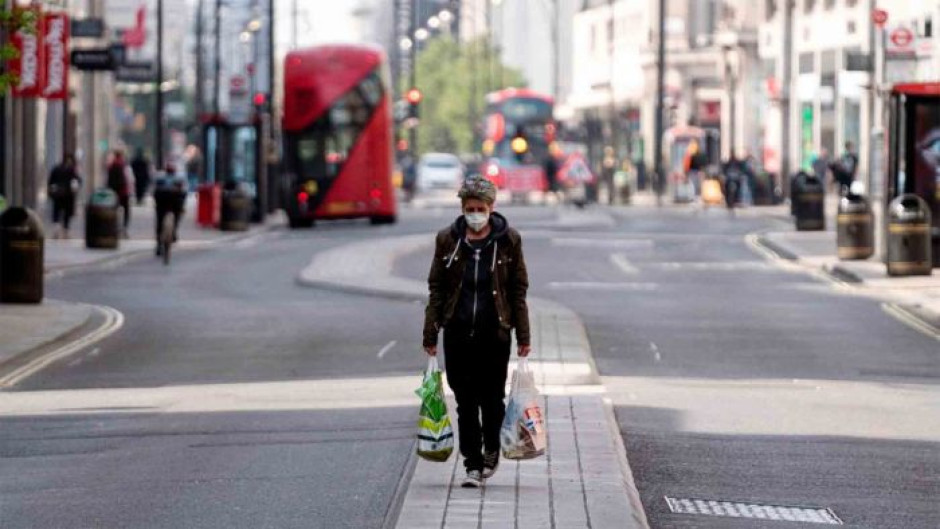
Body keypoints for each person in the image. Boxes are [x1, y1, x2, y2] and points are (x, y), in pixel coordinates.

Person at [423, 176, 531, 489]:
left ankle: (491, 450)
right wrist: (430, 334)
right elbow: (437, 288)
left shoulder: (509, 239)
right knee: (465, 402)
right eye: (469, 208)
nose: (474, 214)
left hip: (494, 335)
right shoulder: (448, 239)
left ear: (491, 207)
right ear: (462, 208)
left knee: (492, 400)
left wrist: (523, 337)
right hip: (456, 335)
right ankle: (472, 464)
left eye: (480, 208)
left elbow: (517, 290)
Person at [152, 164, 188, 256]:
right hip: (173, 202)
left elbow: (155, 191)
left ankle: (159, 244)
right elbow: (183, 192)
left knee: (160, 220)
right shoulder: (179, 178)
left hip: (163, 202)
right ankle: (173, 232)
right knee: (176, 214)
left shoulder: (160, 177)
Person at [47, 154, 82, 239]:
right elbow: (78, 181)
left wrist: (51, 192)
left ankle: (56, 230)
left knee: (56, 212)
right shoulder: (72, 170)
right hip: (68, 195)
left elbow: (50, 181)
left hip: (58, 194)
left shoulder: (56, 169)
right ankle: (66, 232)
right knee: (67, 214)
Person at [107, 150, 133, 235]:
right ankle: (124, 227)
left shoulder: (111, 165)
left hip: (114, 192)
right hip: (123, 192)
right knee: (126, 210)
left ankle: (113, 226)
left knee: (113, 209)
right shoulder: (124, 165)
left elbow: (109, 180)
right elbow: (129, 179)